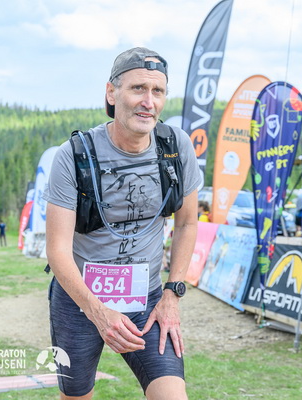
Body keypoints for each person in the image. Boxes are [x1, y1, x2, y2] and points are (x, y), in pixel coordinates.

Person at [43, 47, 200, 399]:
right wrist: (98, 312)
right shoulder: (74, 155)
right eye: (138, 88)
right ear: (112, 93)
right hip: (80, 300)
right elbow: (57, 250)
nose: (148, 102)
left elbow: (187, 224)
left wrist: (172, 295)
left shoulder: (175, 147)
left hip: (148, 300)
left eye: (158, 91)